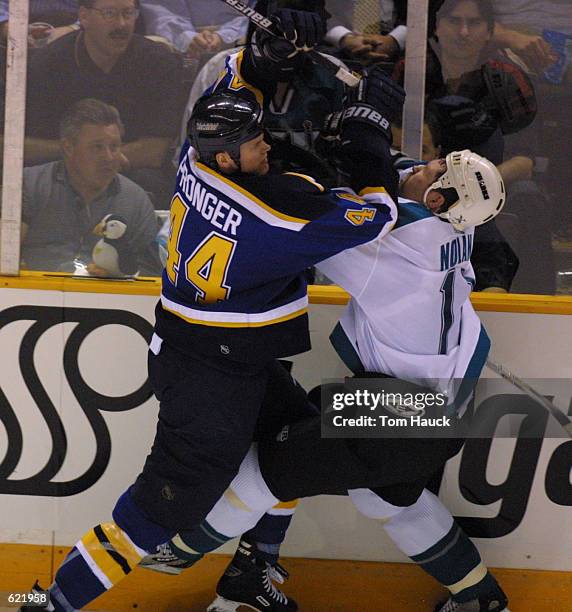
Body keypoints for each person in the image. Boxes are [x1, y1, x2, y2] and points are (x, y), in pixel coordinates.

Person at [23, 21, 406, 604]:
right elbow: (377, 215)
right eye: (257, 142)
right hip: (210, 384)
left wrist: (261, 60)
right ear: (227, 156)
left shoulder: (193, 162)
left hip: (214, 356)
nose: (268, 146)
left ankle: (252, 575)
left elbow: (230, 86)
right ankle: (55, 602)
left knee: (296, 443)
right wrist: (370, 138)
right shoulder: (267, 225)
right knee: (153, 514)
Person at [138, 152, 510, 612]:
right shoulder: (458, 223)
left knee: (273, 465)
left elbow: (301, 229)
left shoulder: (389, 250)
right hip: (440, 411)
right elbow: (402, 183)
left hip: (400, 414)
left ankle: (181, 553)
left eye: (433, 170)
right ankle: (482, 598)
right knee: (385, 500)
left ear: (438, 196)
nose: (420, 166)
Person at [9, 0, 183, 209]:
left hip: (135, 171)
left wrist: (90, 157)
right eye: (109, 13)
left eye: (128, 13)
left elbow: (154, 152)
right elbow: (18, 146)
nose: (121, 24)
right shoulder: (47, 64)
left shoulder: (159, 62)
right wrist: (86, 157)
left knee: (153, 182)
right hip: (59, 171)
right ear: (84, 17)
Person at [21, 98, 162, 276]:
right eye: (97, 147)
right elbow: (5, 255)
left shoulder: (136, 200)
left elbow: (151, 273)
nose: (109, 158)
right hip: (34, 298)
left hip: (108, 300)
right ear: (68, 147)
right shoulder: (29, 185)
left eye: (114, 147)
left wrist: (122, 275)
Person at [140, 0, 253, 58]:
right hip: (174, 39)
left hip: (243, 35)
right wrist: (186, 37)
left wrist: (225, 35)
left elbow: (261, 12)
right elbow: (161, 13)